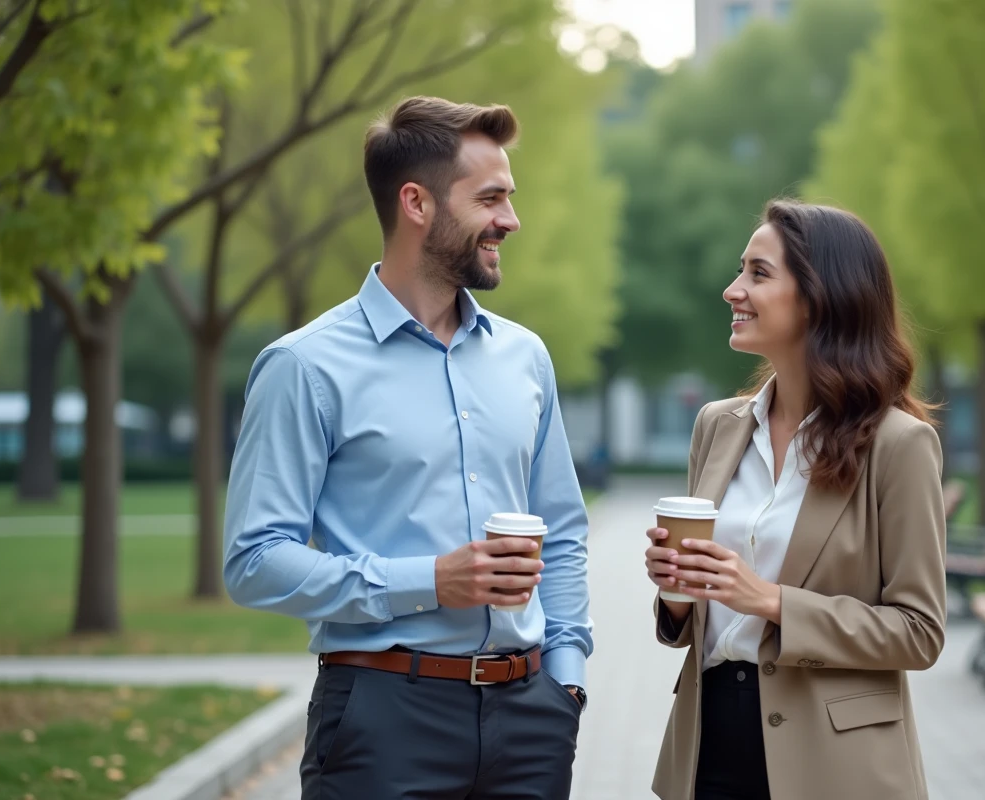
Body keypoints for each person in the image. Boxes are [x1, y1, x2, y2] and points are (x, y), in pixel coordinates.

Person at [223, 96, 591, 800]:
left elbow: (564, 531)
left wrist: (566, 678)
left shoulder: (525, 357)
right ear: (416, 203)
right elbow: (254, 560)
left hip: (530, 724)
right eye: (491, 199)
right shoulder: (305, 366)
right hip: (382, 720)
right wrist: (428, 581)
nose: (510, 220)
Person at [644, 199, 947, 800]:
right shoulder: (717, 425)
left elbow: (919, 631)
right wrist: (677, 590)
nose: (733, 290)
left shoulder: (899, 444)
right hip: (707, 743)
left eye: (758, 274)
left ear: (820, 297)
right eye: (741, 270)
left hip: (836, 762)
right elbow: (699, 619)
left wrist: (771, 601)